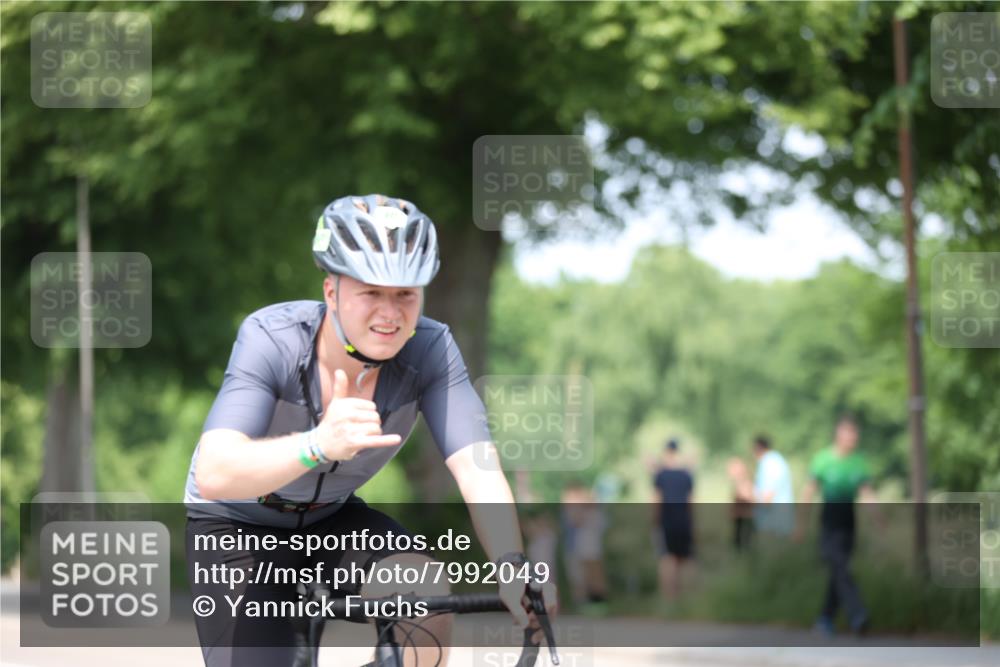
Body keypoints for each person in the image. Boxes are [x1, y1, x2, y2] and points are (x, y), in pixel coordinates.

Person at [184, 194, 556, 667]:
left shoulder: (431, 349)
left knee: (425, 595)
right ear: (331, 292)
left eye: (405, 294)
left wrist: (512, 565)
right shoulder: (271, 339)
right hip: (237, 526)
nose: (390, 313)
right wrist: (316, 444)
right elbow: (217, 470)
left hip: (329, 519)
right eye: (370, 292)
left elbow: (476, 467)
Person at [797, 415, 878, 637]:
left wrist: (878, 517)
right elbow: (809, 491)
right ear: (840, 435)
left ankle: (825, 619)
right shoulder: (823, 459)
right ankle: (858, 614)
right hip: (829, 519)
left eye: (856, 435)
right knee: (839, 566)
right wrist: (801, 524)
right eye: (851, 435)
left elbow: (866, 492)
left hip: (848, 519)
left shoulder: (858, 462)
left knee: (839, 571)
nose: (854, 439)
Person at [652, 439, 695, 598]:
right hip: (684, 521)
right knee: (685, 558)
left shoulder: (660, 475)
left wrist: (654, 521)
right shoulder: (686, 474)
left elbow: (657, 500)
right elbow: (692, 502)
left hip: (666, 521)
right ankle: (686, 597)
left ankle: (669, 597)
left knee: (666, 559)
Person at [750, 435, 794, 536]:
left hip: (772, 523)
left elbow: (767, 496)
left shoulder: (768, 463)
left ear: (757, 448)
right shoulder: (777, 460)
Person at [726, 457, 754, 552]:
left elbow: (749, 498)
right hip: (739, 517)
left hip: (746, 517)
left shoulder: (745, 482)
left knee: (745, 542)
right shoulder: (738, 483)